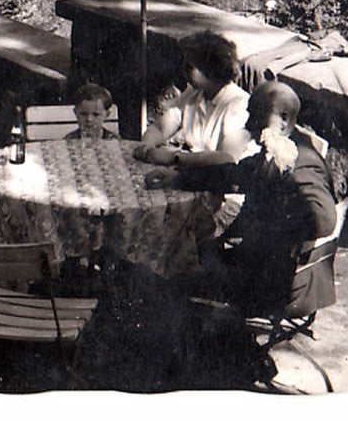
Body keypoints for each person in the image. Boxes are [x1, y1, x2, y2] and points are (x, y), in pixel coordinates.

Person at [143, 80, 336, 318]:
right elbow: (232, 174)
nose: (248, 125)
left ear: (284, 120)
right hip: (256, 262)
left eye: (256, 116)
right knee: (180, 256)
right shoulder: (277, 150)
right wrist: (177, 177)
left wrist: (263, 228)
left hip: (279, 281)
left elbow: (324, 220)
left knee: (172, 275)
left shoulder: (302, 161)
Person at [133, 31, 252, 170]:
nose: (183, 71)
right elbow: (160, 128)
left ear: (210, 70)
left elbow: (226, 159)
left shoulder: (237, 103)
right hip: (195, 171)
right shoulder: (194, 94)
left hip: (223, 181)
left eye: (190, 67)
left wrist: (175, 157)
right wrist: (147, 146)